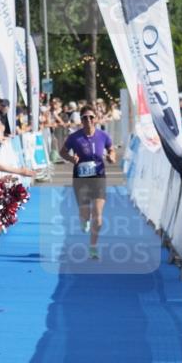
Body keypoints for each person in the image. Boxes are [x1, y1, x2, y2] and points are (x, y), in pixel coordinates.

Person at [59, 105, 115, 259]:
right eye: (85, 117)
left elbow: (111, 149)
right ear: (81, 120)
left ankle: (93, 246)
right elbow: (62, 152)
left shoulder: (103, 135)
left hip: (98, 178)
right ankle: (84, 220)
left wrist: (111, 156)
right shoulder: (74, 137)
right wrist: (71, 158)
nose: (88, 120)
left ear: (96, 119)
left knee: (97, 213)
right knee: (85, 213)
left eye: (91, 117)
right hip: (81, 179)